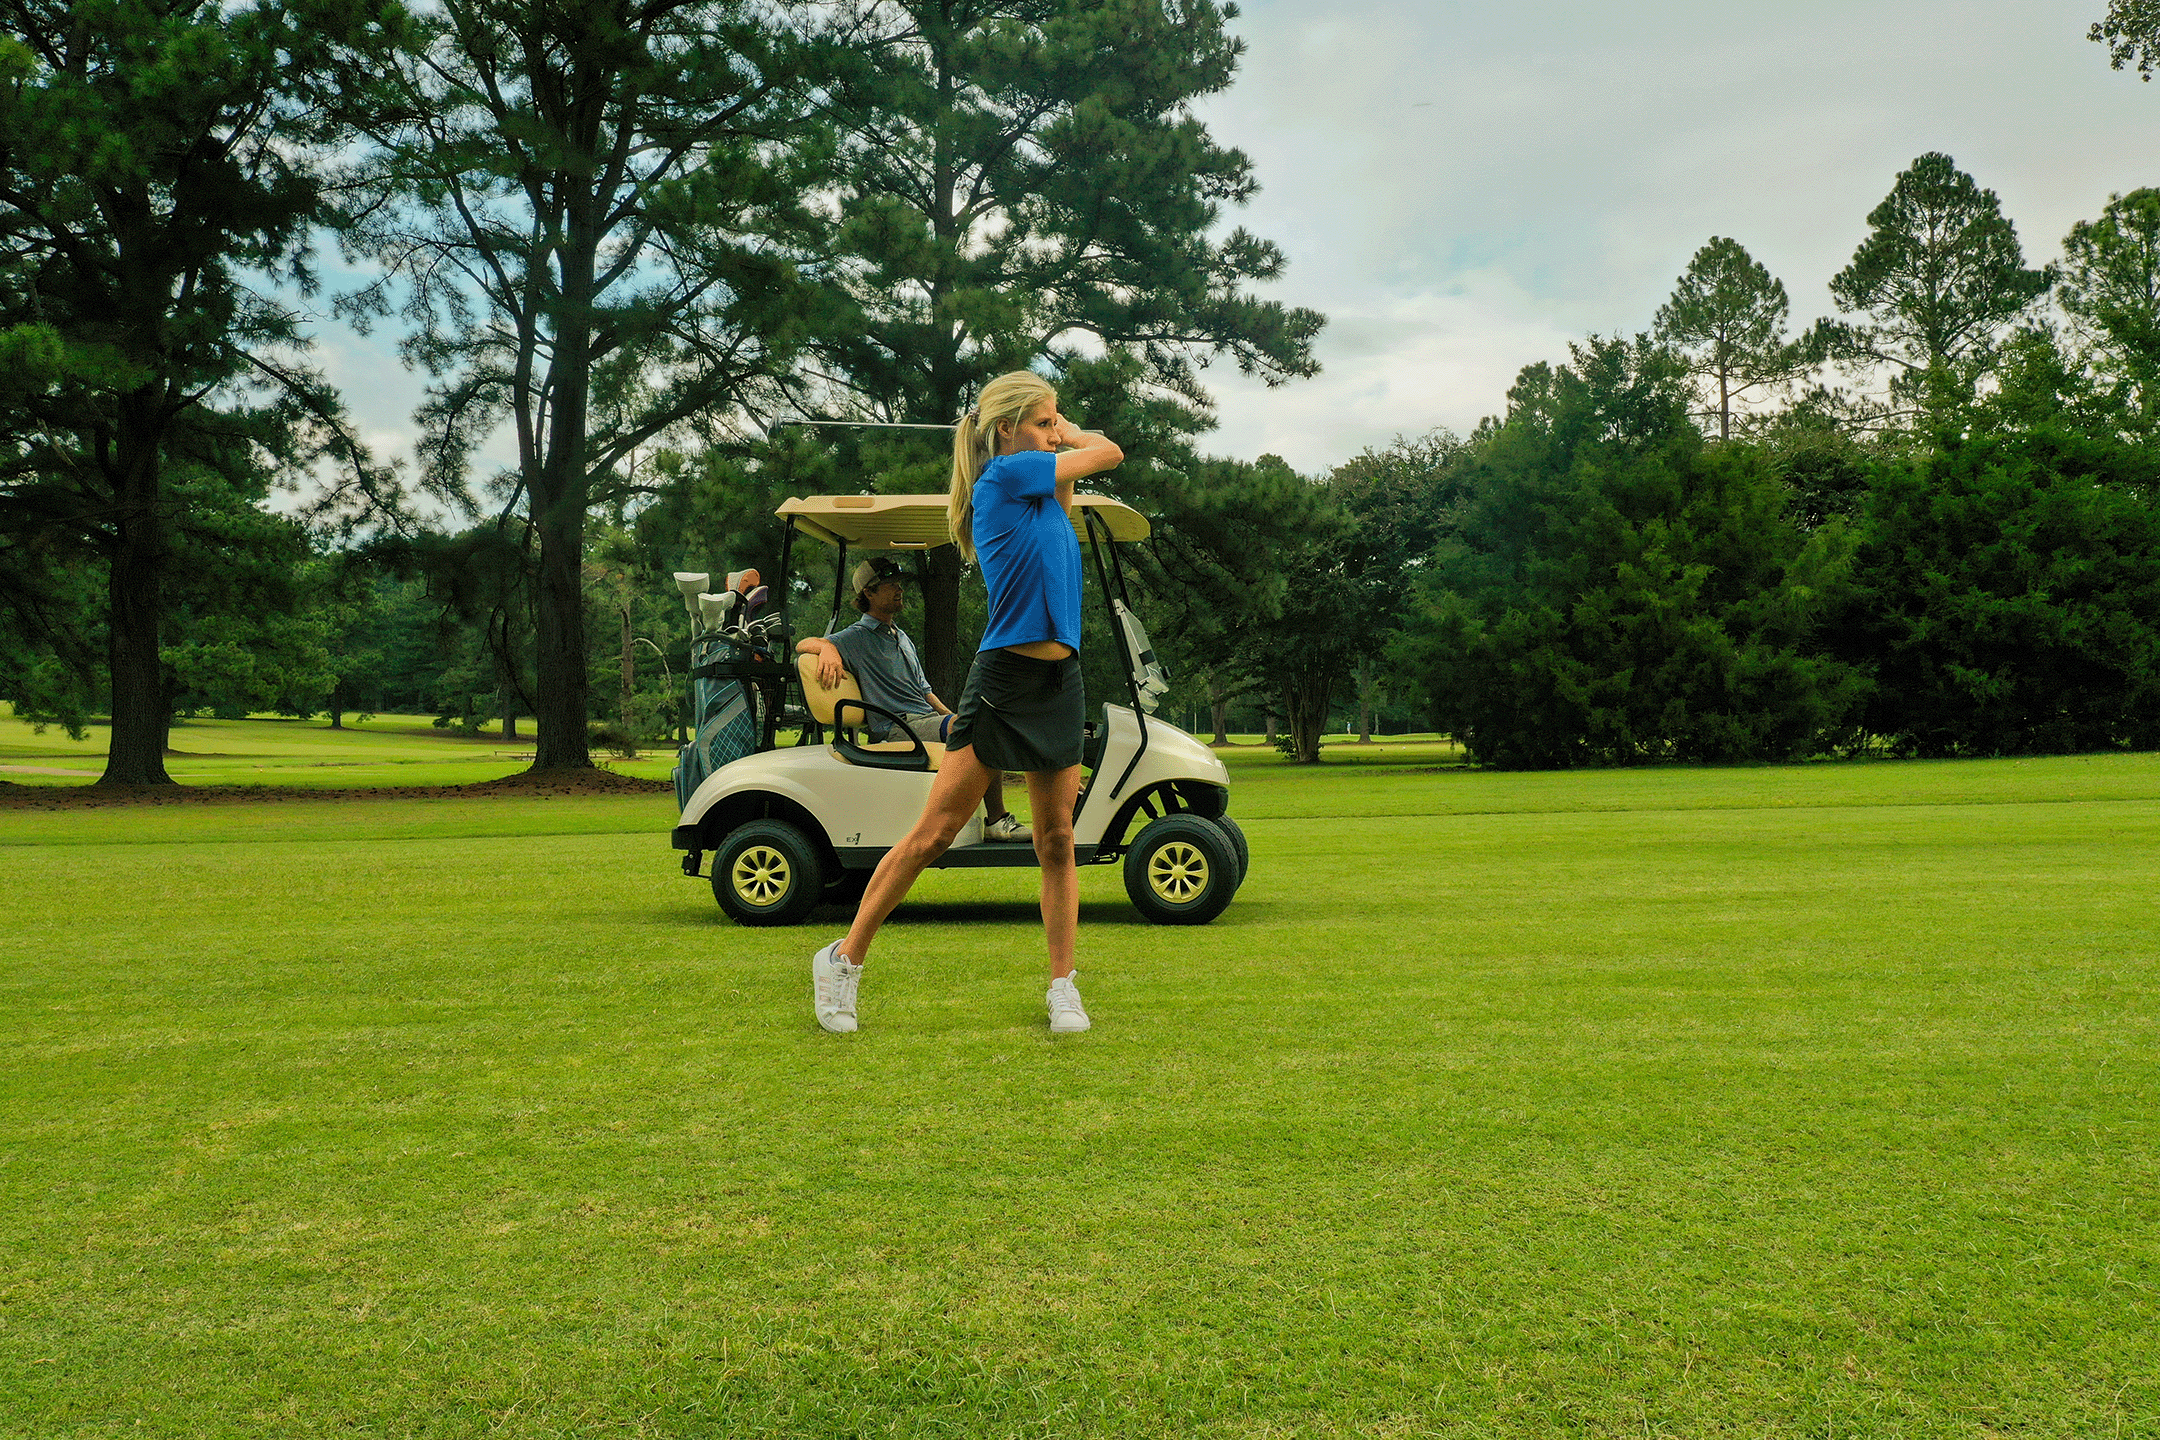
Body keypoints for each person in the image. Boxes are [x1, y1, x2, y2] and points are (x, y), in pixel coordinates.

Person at [810, 371, 1122, 1036]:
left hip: (1060, 683)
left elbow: (1084, 465)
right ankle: (841, 959)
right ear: (1006, 431)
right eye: (1042, 423)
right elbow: (1107, 453)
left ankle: (1063, 986)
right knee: (934, 836)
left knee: (1057, 840)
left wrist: (1059, 430)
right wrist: (1069, 436)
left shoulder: (1044, 493)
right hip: (1004, 680)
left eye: (1056, 422)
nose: (1053, 433)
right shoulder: (1001, 482)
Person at [795, 555, 1032, 843]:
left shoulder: (901, 636)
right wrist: (828, 649)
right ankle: (996, 820)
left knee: (984, 723)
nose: (899, 589)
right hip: (897, 727)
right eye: (890, 584)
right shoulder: (856, 638)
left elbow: (925, 692)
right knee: (982, 727)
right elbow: (804, 644)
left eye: (899, 583)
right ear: (868, 593)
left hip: (924, 720)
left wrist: (956, 717)